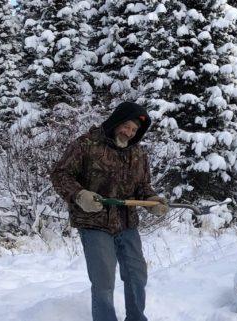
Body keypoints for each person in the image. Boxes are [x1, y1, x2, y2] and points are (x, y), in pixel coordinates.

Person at [50, 101, 169, 321]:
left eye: (134, 130)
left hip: (126, 222)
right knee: (103, 280)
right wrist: (79, 195)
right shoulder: (86, 144)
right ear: (115, 121)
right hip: (94, 221)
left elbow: (143, 187)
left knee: (136, 275)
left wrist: (152, 201)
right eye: (126, 126)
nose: (129, 133)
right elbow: (60, 174)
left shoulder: (138, 154)